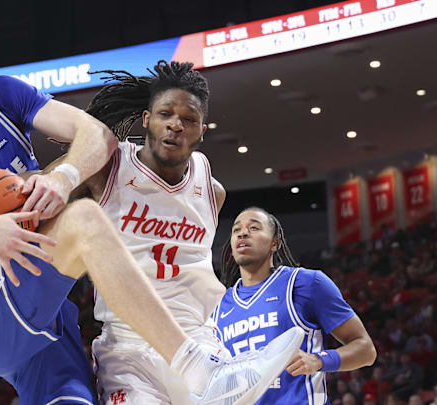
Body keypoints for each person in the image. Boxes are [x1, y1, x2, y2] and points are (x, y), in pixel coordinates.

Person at [0, 9, 303, 405]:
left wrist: (60, 178)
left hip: (43, 305)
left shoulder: (2, 95)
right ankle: (203, 372)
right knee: (84, 218)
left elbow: (96, 135)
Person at [74, 62, 304, 404]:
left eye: (189, 120)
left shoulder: (212, 191)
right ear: (147, 118)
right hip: (127, 346)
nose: (175, 126)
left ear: (202, 131)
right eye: (165, 113)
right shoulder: (109, 167)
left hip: (199, 340)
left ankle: (223, 379)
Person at [213, 207, 377, 404]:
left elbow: (366, 350)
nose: (243, 233)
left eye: (254, 228)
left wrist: (318, 360)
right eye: (236, 230)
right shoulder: (218, 305)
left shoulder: (306, 283)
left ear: (275, 243)